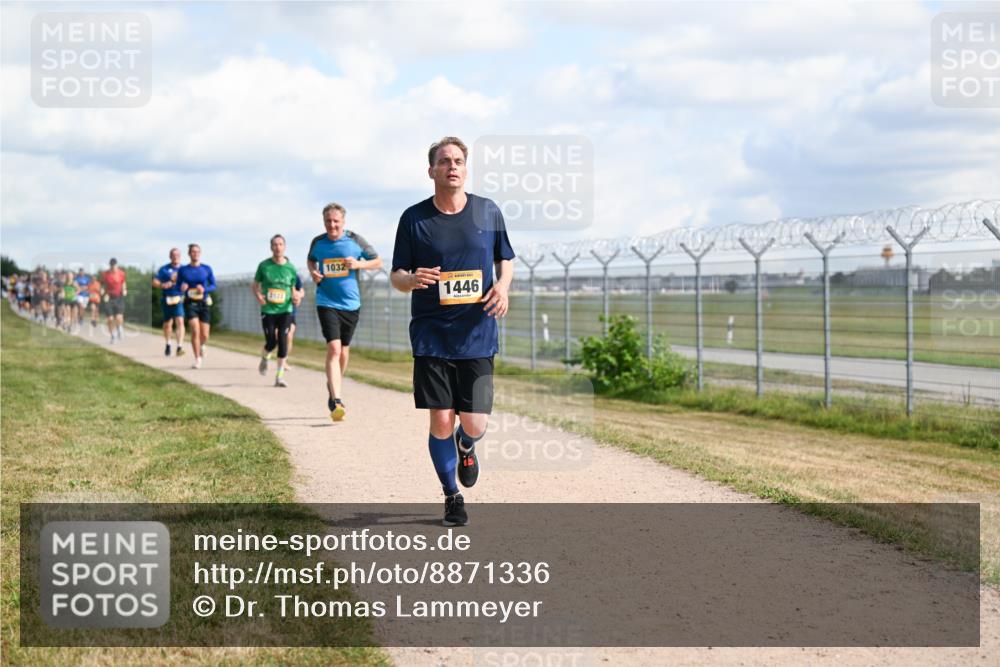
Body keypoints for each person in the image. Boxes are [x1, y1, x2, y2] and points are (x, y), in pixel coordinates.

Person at [390, 136, 515, 527]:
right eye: (444, 161)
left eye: (459, 161)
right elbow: (395, 275)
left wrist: (502, 287)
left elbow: (504, 259)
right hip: (431, 334)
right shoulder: (414, 218)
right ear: (432, 171)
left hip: (477, 333)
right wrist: (411, 280)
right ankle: (451, 496)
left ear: (466, 167)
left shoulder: (487, 211)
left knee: (474, 424)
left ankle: (466, 445)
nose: (453, 167)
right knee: (441, 419)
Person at [306, 203, 382, 420]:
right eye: (328, 221)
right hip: (326, 301)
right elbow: (311, 259)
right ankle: (337, 400)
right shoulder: (318, 242)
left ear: (343, 222)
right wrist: (313, 272)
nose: (332, 225)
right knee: (334, 348)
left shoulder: (355, 240)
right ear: (324, 222)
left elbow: (377, 261)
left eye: (336, 221)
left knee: (344, 351)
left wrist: (358, 265)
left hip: (351, 304)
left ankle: (333, 385)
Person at [252, 235, 303, 387]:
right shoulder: (264, 266)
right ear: (271, 247)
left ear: (285, 247)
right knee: (271, 342)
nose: (278, 247)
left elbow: (295, 289)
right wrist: (259, 296)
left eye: (280, 244)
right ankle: (265, 357)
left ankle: (279, 377)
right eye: (275, 244)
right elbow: (255, 285)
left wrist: (296, 297)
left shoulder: (291, 268)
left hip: (285, 310)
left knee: (283, 340)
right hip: (268, 310)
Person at [177, 244, 216, 369]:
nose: (195, 254)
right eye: (193, 252)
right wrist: (182, 288)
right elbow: (178, 286)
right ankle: (197, 359)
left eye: (197, 252)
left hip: (203, 303)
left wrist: (204, 289)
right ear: (189, 254)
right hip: (190, 303)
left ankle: (203, 344)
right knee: (195, 330)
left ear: (200, 253)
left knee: (205, 334)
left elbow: (213, 285)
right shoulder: (183, 270)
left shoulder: (206, 268)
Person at [152, 248, 187, 357]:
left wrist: (186, 287)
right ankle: (168, 344)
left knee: (180, 321)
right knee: (168, 324)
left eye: (177, 255)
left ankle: (179, 346)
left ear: (180, 256)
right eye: (173, 255)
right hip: (167, 298)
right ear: (170, 256)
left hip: (179, 298)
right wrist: (162, 285)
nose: (175, 257)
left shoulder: (184, 269)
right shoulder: (164, 269)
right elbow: (154, 281)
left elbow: (190, 281)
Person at [100, 258, 127, 343]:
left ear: (116, 265)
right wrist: (102, 291)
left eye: (114, 265)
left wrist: (125, 289)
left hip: (118, 297)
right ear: (110, 265)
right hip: (108, 297)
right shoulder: (105, 274)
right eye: (111, 265)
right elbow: (102, 285)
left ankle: (119, 328)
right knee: (110, 319)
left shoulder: (121, 273)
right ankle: (113, 336)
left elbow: (123, 283)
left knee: (119, 317)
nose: (113, 267)